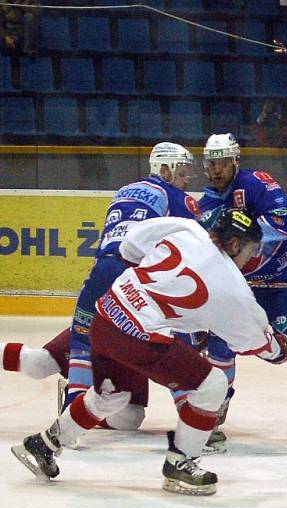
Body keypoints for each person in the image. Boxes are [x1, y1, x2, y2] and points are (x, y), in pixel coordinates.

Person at [12, 209, 287, 496]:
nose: (251, 258)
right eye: (250, 250)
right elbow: (256, 344)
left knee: (111, 396)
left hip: (106, 314)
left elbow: (129, 247)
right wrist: (280, 349)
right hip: (138, 336)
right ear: (234, 244)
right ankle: (181, 463)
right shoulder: (234, 289)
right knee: (213, 384)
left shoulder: (186, 229)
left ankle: (43, 444)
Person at [195, 133, 287, 446]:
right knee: (220, 348)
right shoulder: (205, 205)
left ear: (236, 161)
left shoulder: (256, 184)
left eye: (224, 162)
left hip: (285, 281)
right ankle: (216, 406)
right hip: (243, 291)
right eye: (212, 163)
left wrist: (246, 229)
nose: (218, 169)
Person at [62, 143, 199, 429]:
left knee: (81, 340)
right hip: (134, 277)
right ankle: (192, 416)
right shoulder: (175, 197)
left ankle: (70, 410)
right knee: (172, 338)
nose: (187, 179)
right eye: (183, 171)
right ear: (165, 169)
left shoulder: (123, 192)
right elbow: (198, 243)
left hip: (101, 270)